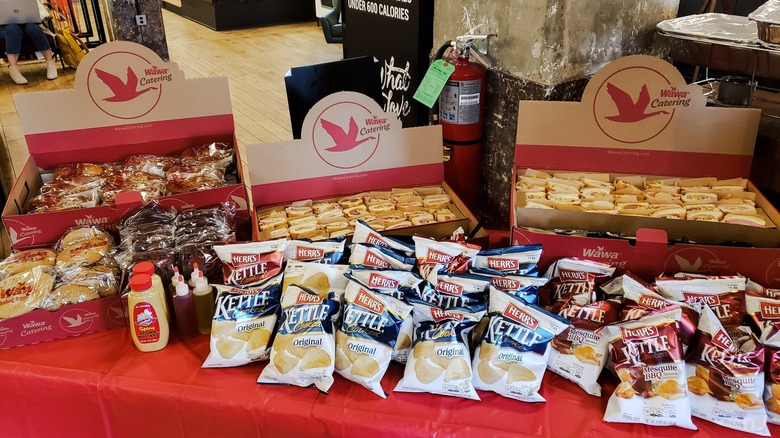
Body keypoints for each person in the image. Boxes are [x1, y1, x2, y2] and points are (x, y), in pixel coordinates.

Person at [1, 1, 57, 85]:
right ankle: (13, 69)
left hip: (27, 23)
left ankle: (50, 62)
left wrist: (33, 17)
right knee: (12, 29)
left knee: (33, 28)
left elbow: (43, 13)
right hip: (4, 26)